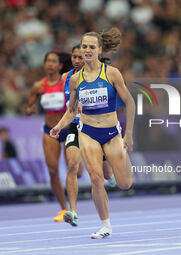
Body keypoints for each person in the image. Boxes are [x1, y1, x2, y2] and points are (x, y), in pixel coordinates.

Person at [50, 27, 135, 239]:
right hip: (87, 132)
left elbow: (130, 102)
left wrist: (129, 134)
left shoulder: (111, 73)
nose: (87, 50)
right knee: (96, 178)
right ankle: (105, 225)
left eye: (91, 47)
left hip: (112, 133)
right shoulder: (75, 79)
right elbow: (72, 110)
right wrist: (59, 126)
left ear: (99, 50)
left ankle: (123, 159)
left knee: (125, 184)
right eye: (84, 47)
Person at [61, 45, 117, 227]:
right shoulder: (67, 78)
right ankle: (73, 211)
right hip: (75, 127)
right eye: (74, 57)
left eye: (80, 57)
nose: (77, 60)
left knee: (105, 173)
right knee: (72, 165)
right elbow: (70, 107)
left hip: (94, 128)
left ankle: (111, 176)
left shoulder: (99, 75)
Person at [25, 51, 70, 222]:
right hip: (50, 130)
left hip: (67, 128)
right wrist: (30, 110)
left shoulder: (66, 81)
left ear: (60, 65)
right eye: (48, 61)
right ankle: (64, 209)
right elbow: (28, 108)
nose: (50, 64)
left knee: (75, 170)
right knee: (52, 170)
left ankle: (71, 200)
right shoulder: (38, 86)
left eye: (54, 61)